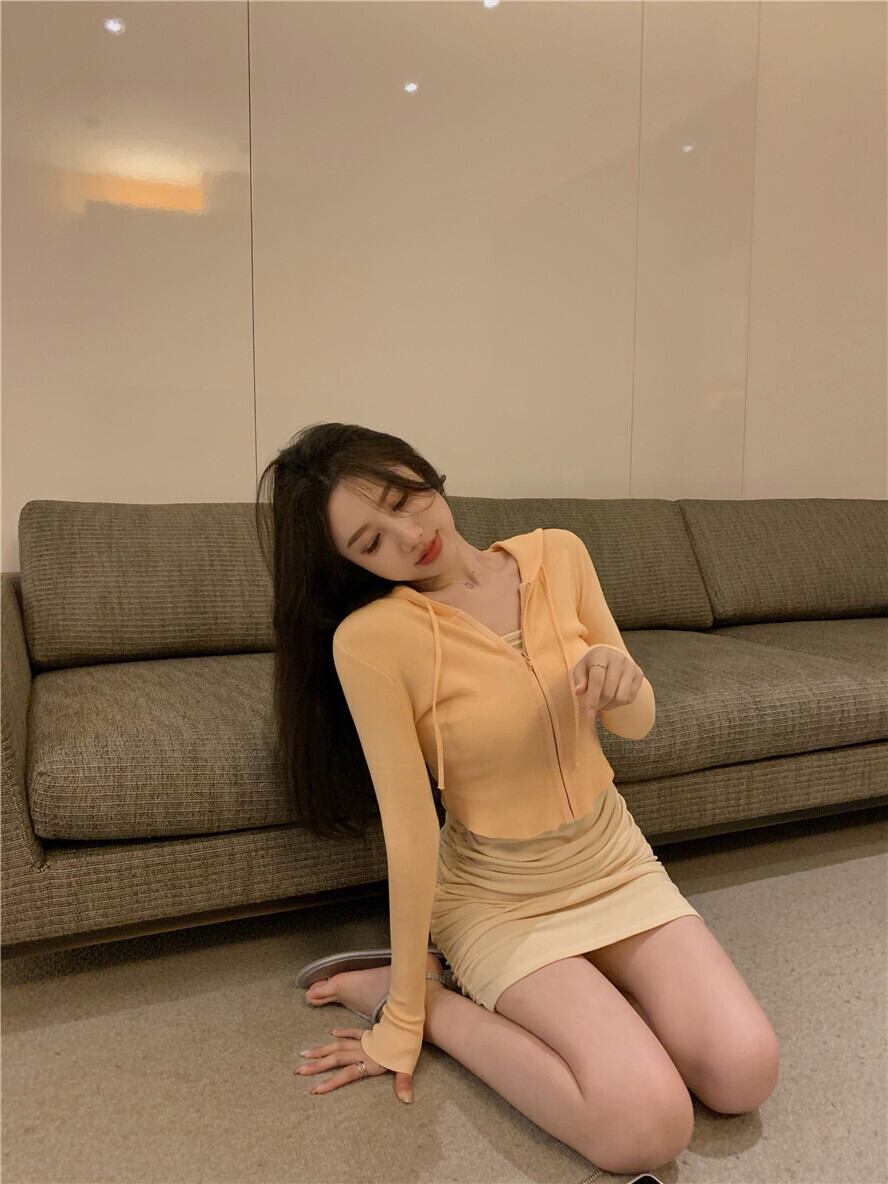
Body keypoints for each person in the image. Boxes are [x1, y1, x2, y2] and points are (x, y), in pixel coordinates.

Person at [255, 420, 703, 1170]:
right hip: (499, 898)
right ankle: (438, 1003)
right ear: (349, 564)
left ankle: (580, 983)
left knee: (744, 1071)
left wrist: (623, 680)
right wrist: (403, 1016)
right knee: (647, 1128)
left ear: (424, 472)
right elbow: (410, 832)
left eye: (404, 498)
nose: (409, 535)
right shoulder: (373, 640)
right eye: (370, 541)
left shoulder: (560, 553)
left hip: (615, 864)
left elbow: (637, 723)